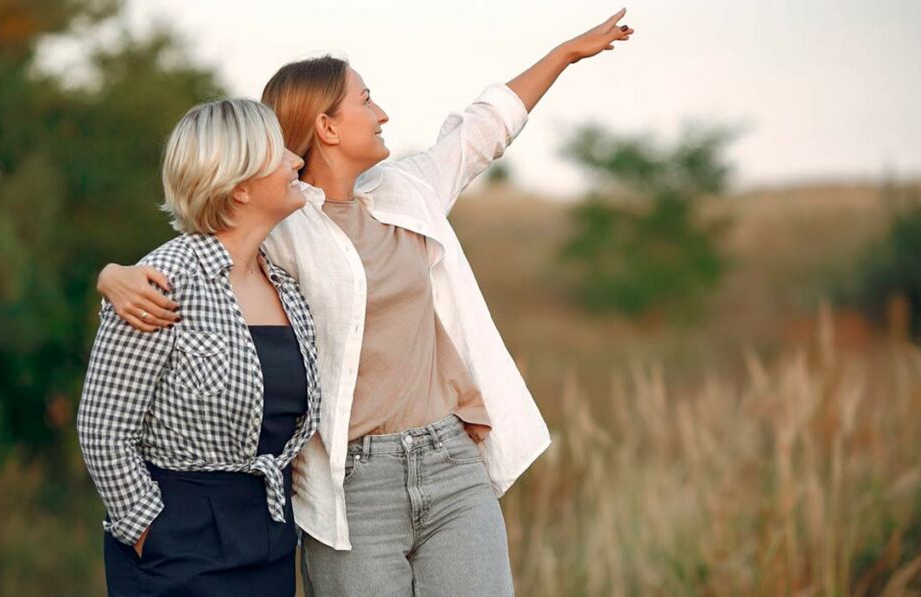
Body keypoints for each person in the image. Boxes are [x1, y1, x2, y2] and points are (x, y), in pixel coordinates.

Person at [97, 9, 635, 595]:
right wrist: (114, 274)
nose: (382, 114)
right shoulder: (285, 224)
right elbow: (213, 234)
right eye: (366, 100)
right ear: (326, 127)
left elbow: (482, 129)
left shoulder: (409, 191)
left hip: (449, 460)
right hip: (350, 484)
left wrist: (562, 55)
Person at [77, 98, 321, 596]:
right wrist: (147, 531)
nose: (297, 160)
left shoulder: (287, 285)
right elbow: (103, 428)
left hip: (270, 539)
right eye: (279, 154)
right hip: (178, 546)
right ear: (238, 187)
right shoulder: (163, 281)